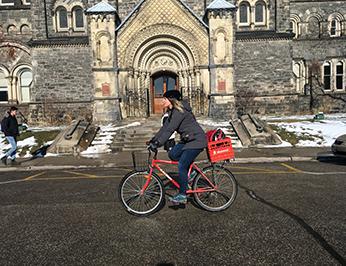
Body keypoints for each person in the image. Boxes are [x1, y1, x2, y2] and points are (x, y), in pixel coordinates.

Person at [149, 90, 207, 204]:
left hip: (196, 140)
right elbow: (164, 128)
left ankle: (182, 195)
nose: (162, 101)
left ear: (171, 100)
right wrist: (153, 140)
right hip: (188, 139)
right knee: (173, 154)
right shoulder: (171, 112)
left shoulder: (179, 112)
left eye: (164, 99)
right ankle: (193, 172)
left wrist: (158, 144)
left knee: (181, 166)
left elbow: (170, 130)